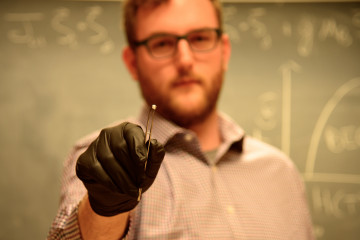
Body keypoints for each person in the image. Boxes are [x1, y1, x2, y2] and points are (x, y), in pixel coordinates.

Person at [48, 0, 315, 239]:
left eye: (200, 38)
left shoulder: (281, 173)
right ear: (132, 63)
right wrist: (103, 206)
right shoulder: (103, 163)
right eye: (162, 43)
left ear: (224, 51)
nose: (185, 60)